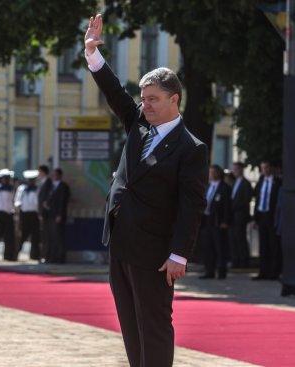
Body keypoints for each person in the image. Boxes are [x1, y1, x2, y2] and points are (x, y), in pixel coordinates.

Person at [86, 14, 208, 366]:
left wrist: (179, 254)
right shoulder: (139, 123)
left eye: (153, 98)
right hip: (121, 242)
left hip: (155, 253)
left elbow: (192, 205)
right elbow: (114, 93)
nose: (146, 105)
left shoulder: (191, 149)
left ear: (175, 100)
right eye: (144, 98)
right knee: (129, 325)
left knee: (153, 325)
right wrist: (93, 54)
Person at [199, 165, 232, 279]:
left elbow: (227, 206)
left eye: (214, 172)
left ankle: (222, 272)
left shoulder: (225, 188)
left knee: (220, 247)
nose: (211, 174)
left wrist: (225, 221)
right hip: (206, 221)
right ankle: (209, 271)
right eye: (210, 172)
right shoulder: (206, 186)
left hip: (218, 222)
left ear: (219, 173)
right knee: (208, 247)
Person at [252, 160, 282, 280]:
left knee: (273, 245)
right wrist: (255, 218)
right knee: (263, 246)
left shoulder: (278, 182)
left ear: (271, 168)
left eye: (266, 167)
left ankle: (274, 273)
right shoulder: (260, 182)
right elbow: (257, 200)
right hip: (262, 216)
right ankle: (263, 272)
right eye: (262, 168)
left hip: (272, 217)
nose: (264, 170)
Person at [40, 168, 70, 263]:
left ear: (60, 175)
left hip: (57, 216)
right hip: (50, 215)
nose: (54, 177)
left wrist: (59, 215)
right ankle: (51, 257)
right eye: (52, 175)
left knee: (59, 237)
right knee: (51, 237)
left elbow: (62, 202)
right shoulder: (51, 186)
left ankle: (60, 258)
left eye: (55, 175)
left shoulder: (63, 186)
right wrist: (46, 204)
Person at [229, 162, 253, 268]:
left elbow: (246, 200)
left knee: (240, 238)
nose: (235, 171)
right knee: (234, 238)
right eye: (234, 169)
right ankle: (236, 259)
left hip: (240, 216)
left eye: (237, 169)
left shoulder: (245, 183)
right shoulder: (234, 182)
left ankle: (244, 260)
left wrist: (234, 206)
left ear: (241, 170)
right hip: (233, 216)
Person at [15, 170, 41, 260]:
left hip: (34, 214)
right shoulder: (22, 189)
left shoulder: (37, 189)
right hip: (24, 214)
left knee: (35, 236)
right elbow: (17, 201)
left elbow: (38, 203)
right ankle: (16, 253)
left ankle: (34, 255)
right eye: (29, 180)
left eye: (32, 180)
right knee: (22, 235)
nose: (31, 181)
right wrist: (18, 211)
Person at [37, 165, 52, 263]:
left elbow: (45, 199)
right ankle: (44, 255)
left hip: (46, 214)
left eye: (39, 172)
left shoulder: (48, 182)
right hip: (42, 213)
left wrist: (42, 213)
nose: (38, 174)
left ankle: (46, 256)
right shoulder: (42, 182)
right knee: (43, 235)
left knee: (46, 235)